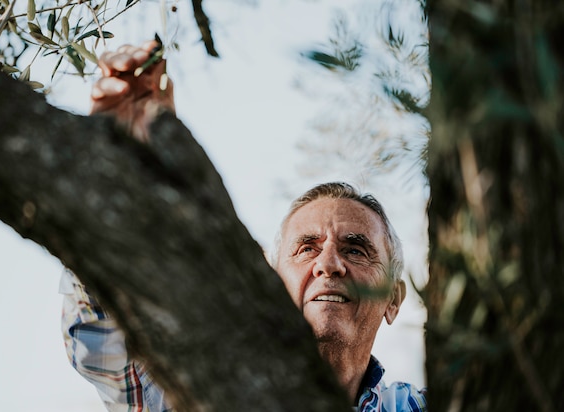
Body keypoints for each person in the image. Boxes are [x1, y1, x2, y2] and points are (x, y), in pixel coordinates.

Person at [60, 41, 427, 411]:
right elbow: (102, 340)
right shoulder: (205, 393)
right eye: (306, 248)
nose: (328, 264)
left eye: (355, 249)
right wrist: (117, 179)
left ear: (393, 299)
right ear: (269, 282)